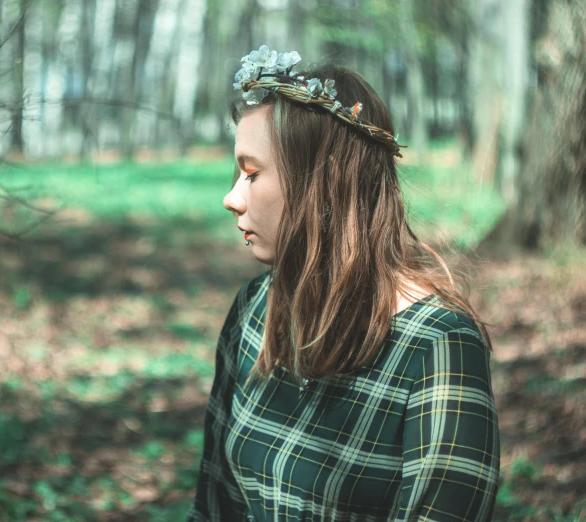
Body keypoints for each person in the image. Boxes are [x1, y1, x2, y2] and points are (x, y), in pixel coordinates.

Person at [186, 46, 500, 522]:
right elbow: (214, 504)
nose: (232, 198)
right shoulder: (256, 307)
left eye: (252, 174)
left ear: (324, 182)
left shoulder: (439, 347)